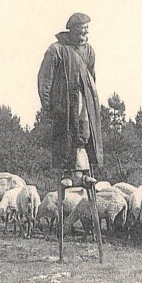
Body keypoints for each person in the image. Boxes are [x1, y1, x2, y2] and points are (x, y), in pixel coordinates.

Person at [37, 12, 103, 188]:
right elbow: (45, 79)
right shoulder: (56, 49)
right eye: (82, 28)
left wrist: (92, 102)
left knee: (84, 134)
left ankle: (84, 174)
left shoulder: (89, 51)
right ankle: (66, 173)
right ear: (72, 29)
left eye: (87, 28)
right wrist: (47, 105)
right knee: (66, 135)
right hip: (63, 101)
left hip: (83, 99)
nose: (86, 32)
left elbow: (92, 78)